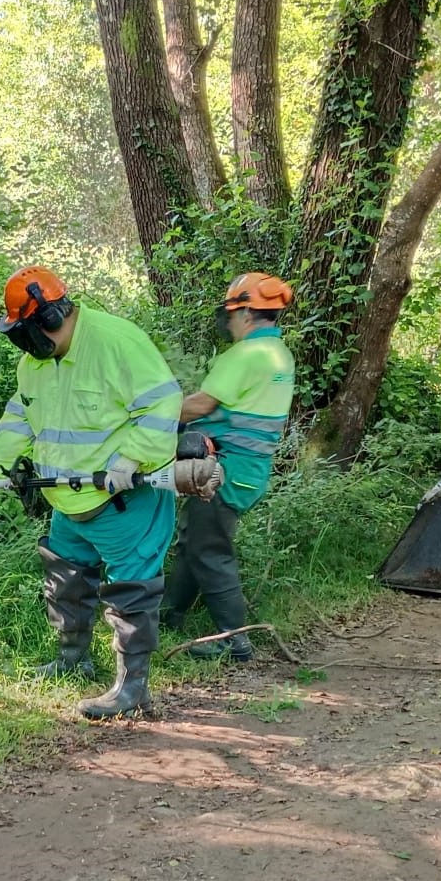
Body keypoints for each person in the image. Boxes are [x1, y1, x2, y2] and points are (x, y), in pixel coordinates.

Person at [0, 266, 182, 719]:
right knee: (64, 582)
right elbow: (20, 420)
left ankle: (131, 687)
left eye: (26, 331)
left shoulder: (117, 342)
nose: (24, 344)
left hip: (125, 500)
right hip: (66, 499)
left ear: (52, 317)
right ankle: (71, 660)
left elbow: (163, 402)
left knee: (131, 593)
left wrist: (131, 459)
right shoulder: (33, 364)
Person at [164, 272, 296, 663]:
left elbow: (201, 405)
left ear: (246, 314)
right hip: (248, 468)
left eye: (232, 314)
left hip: (223, 469)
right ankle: (169, 616)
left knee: (209, 550)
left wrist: (150, 413)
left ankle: (235, 641)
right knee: (195, 543)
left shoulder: (246, 355)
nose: (230, 322)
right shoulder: (279, 354)